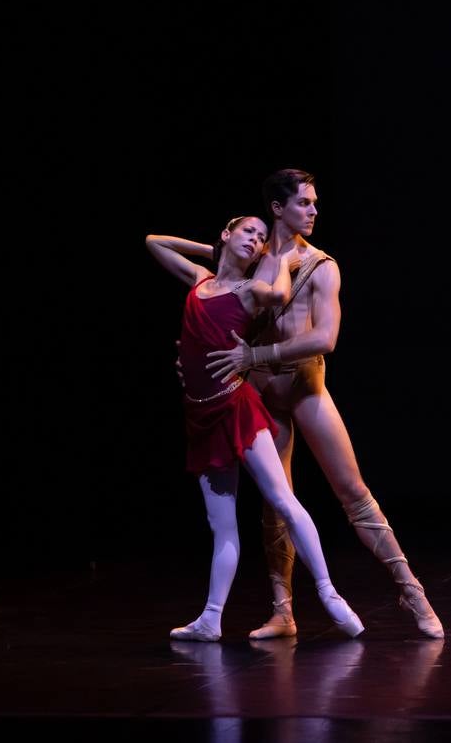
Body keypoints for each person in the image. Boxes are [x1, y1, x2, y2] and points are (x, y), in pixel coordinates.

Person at [203, 170, 446, 639]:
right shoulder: (250, 259)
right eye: (304, 203)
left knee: (352, 492)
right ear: (277, 208)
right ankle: (283, 610)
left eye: (315, 203)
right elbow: (208, 292)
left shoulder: (321, 265)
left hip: (305, 384)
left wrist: (258, 354)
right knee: (277, 501)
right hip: (259, 390)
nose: (314, 211)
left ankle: (411, 591)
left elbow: (325, 337)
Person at [146, 215, 364, 642]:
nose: (256, 240)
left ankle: (329, 594)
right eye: (248, 231)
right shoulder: (200, 278)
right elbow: (155, 241)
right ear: (227, 232)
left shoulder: (249, 291)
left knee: (282, 498)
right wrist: (213, 249)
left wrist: (276, 257)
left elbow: (279, 291)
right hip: (201, 416)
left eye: (262, 237)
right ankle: (211, 618)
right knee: (221, 525)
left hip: (236, 408)